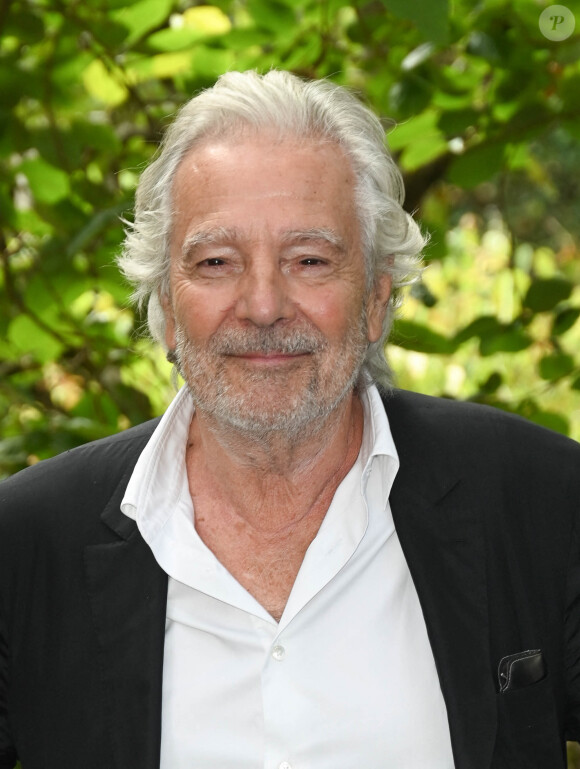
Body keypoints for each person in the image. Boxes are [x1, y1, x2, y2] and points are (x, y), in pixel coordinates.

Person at [0, 69, 579, 769]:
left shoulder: (539, 497)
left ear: (375, 299)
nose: (265, 304)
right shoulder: (26, 546)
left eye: (309, 259)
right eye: (217, 262)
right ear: (168, 310)